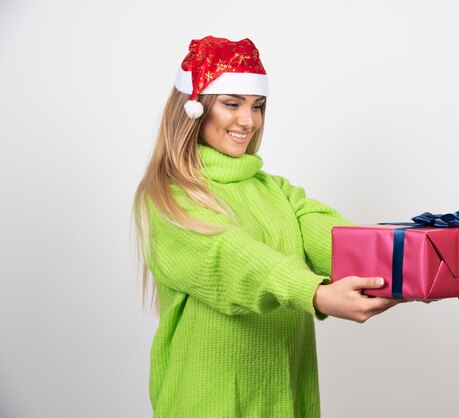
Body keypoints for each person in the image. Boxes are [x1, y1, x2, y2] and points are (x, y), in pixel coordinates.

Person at [133, 35, 406, 418]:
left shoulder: (274, 190)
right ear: (195, 108)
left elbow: (331, 236)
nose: (248, 120)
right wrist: (314, 293)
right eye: (232, 104)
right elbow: (232, 259)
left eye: (257, 106)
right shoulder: (169, 198)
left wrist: (409, 263)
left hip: (284, 399)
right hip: (208, 403)